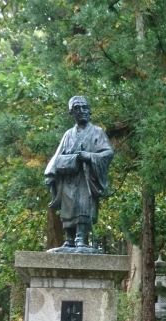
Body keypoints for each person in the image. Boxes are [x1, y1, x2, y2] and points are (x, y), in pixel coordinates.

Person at [44, 95, 114, 250]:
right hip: (68, 178)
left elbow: (108, 153)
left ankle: (81, 238)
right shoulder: (68, 134)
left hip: (86, 177)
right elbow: (57, 157)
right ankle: (69, 239)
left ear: (89, 111)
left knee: (83, 205)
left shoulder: (97, 132)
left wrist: (89, 156)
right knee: (68, 206)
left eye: (84, 107)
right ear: (71, 113)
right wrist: (51, 173)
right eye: (77, 108)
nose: (81, 111)